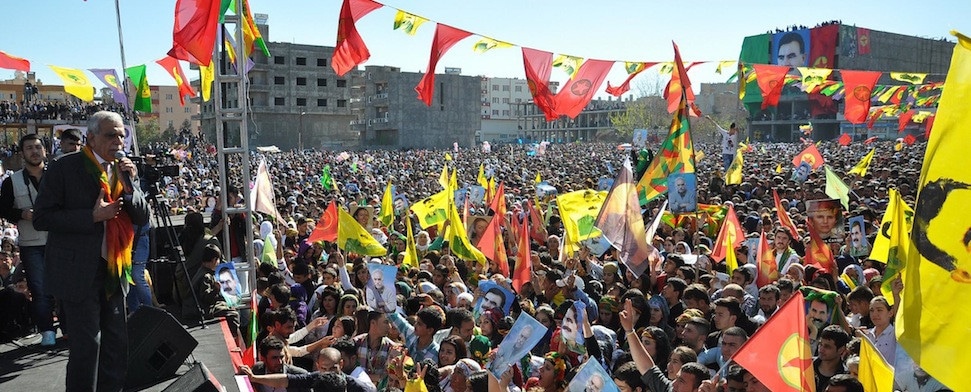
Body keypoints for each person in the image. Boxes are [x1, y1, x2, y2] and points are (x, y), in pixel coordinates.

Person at [33, 110, 151, 391]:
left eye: (122, 135)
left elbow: (142, 217)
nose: (118, 141)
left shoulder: (123, 169)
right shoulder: (64, 168)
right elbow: (42, 218)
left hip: (114, 269)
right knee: (87, 347)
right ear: (92, 137)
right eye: (111, 135)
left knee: (115, 344)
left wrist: (130, 187)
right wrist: (91, 217)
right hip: (77, 272)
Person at [0, 134, 55, 346]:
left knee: (66, 287)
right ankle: (47, 331)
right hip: (31, 244)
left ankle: (68, 328)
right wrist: (22, 215)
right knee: (40, 289)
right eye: (29, 148)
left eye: (37, 147)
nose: (34, 151)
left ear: (45, 151)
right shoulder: (12, 182)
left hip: (59, 240)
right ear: (22, 153)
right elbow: (3, 208)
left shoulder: (56, 176)